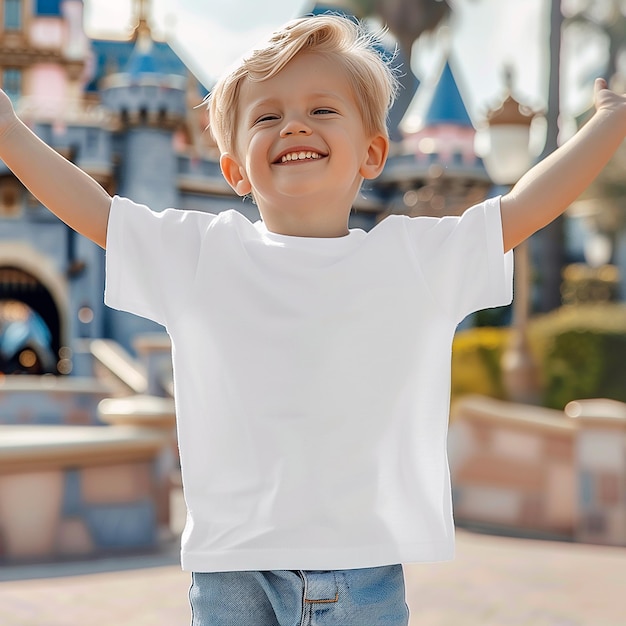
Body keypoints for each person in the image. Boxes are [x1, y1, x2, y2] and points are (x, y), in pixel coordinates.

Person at [0, 13, 625, 626]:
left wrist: (608, 124)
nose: (294, 124)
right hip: (230, 572)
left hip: (360, 571)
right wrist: (10, 132)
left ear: (373, 151)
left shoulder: (412, 258)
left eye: (323, 110)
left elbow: (521, 209)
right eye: (267, 115)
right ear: (234, 167)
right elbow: (96, 212)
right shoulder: (200, 254)